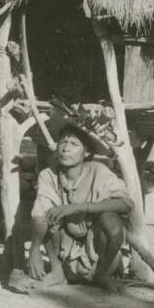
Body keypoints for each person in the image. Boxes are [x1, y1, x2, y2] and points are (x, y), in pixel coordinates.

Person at [27, 125, 133, 292]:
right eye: (63, 142)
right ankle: (57, 272)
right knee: (50, 215)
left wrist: (77, 208)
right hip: (63, 252)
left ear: (87, 152)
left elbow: (126, 203)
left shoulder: (99, 171)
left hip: (97, 252)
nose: (66, 148)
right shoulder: (48, 175)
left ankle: (102, 274)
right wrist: (34, 250)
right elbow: (39, 215)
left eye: (74, 144)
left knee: (110, 219)